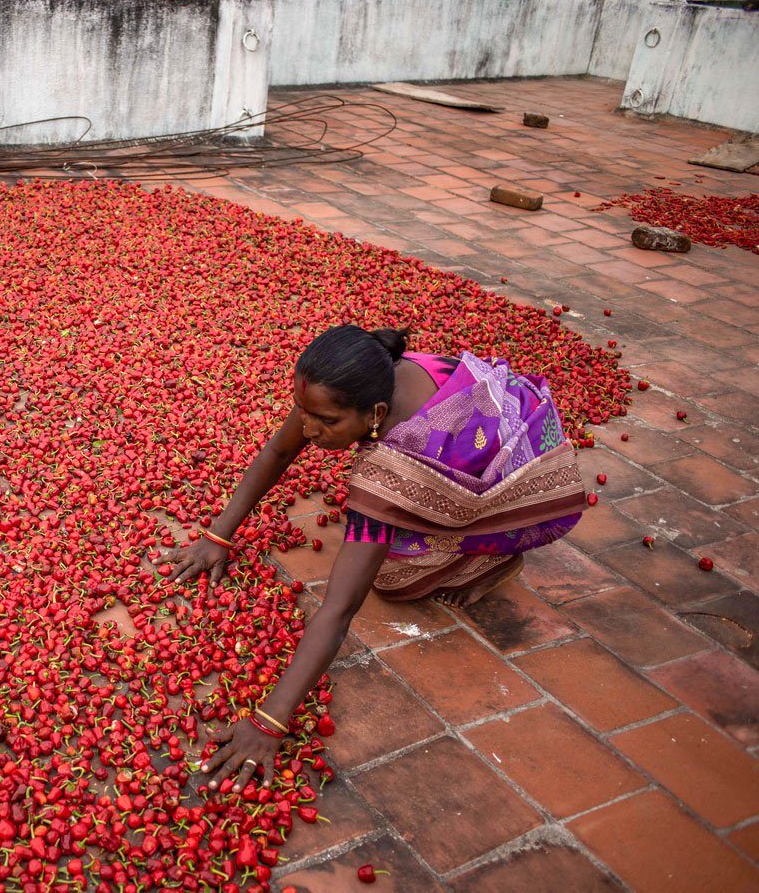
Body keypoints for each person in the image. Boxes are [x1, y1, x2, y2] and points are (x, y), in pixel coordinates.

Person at [163, 324, 587, 792]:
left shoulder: (391, 468)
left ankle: (489, 559)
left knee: (392, 577)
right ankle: (450, 514)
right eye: (304, 412)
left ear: (376, 414)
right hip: (518, 427)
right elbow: (280, 449)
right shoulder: (375, 373)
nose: (309, 430)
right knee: (373, 521)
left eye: (325, 422)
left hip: (531, 495)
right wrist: (218, 536)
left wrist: (269, 722)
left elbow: (340, 608)